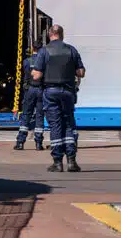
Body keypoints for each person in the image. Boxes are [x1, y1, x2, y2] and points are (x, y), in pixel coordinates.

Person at [31, 24, 86, 172]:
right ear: (62, 35)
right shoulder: (71, 50)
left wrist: (33, 74)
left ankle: (57, 162)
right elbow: (81, 72)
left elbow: (37, 75)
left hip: (51, 92)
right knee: (69, 123)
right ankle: (72, 161)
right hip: (68, 92)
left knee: (55, 125)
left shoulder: (44, 51)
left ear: (50, 35)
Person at [14, 44, 45, 150]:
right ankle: (38, 144)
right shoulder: (45, 61)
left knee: (26, 114)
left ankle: (20, 143)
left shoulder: (27, 61)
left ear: (33, 49)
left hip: (30, 90)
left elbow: (26, 76)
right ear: (41, 49)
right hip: (41, 89)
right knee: (40, 116)